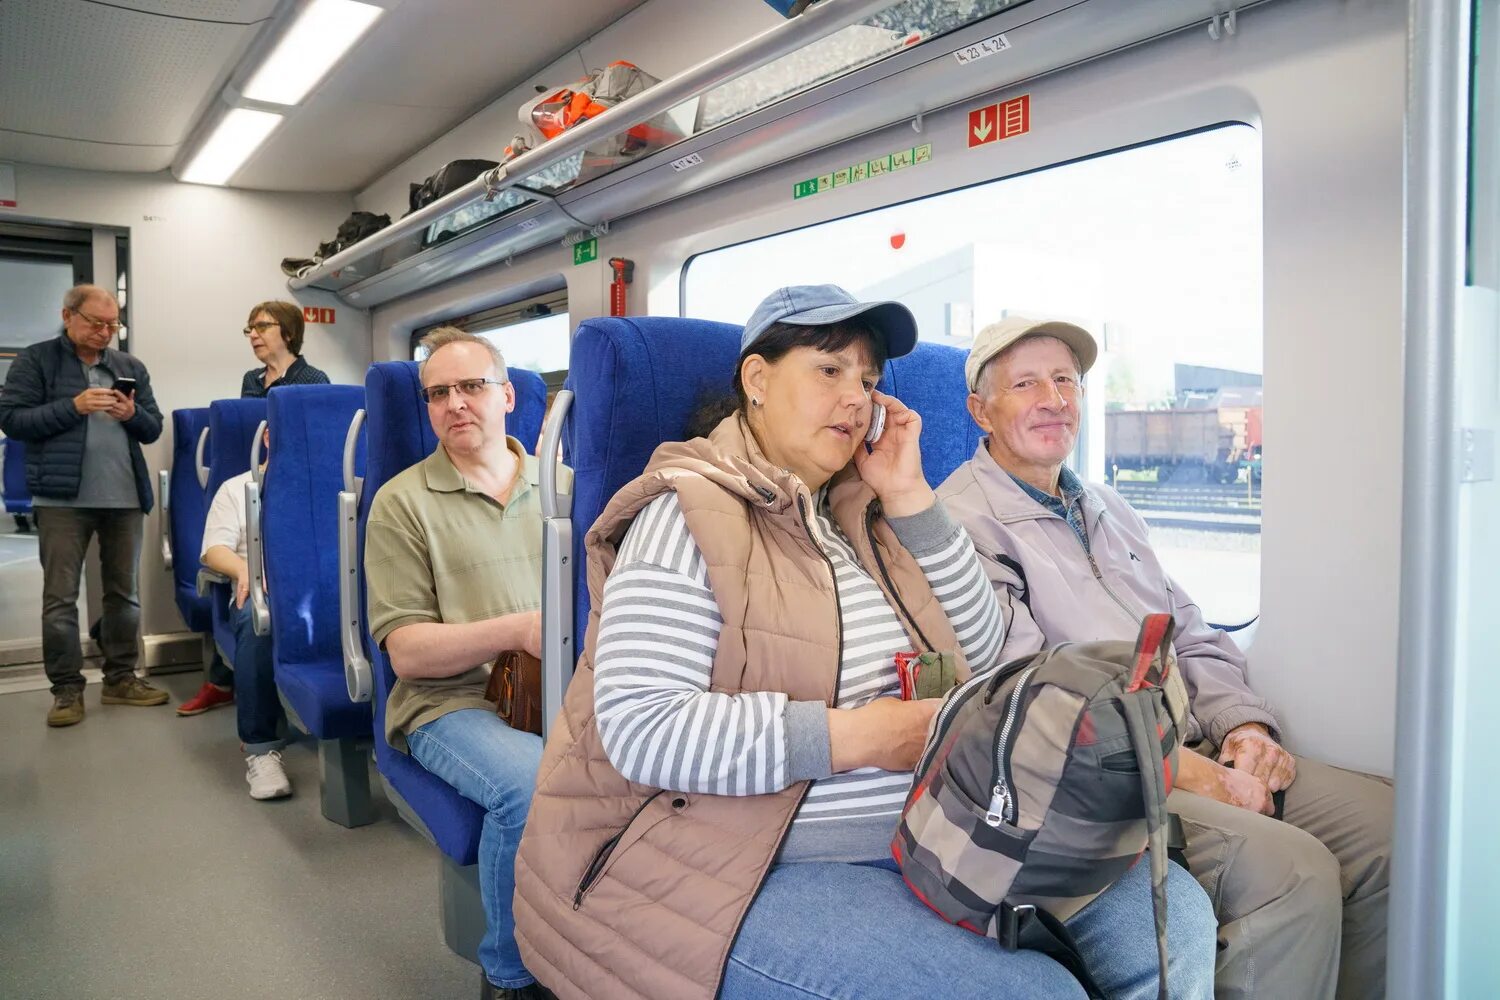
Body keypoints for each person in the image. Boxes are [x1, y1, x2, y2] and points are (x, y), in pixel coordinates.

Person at [512, 285, 1217, 1000]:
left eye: (869, 380)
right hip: (745, 855)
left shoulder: (863, 519)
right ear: (757, 380)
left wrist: (909, 495)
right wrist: (862, 738)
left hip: (935, 823)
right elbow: (642, 728)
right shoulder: (686, 511)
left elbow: (987, 647)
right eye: (829, 370)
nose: (856, 398)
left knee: (1171, 930)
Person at [938, 316, 1394, 1000]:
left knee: (1388, 831)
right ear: (982, 409)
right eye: (1026, 383)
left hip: (1197, 738)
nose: (1054, 399)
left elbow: (1191, 630)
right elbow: (1035, 708)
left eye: (1066, 381)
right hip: (1110, 777)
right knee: (1294, 872)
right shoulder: (963, 522)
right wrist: (1199, 774)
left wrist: (1245, 728)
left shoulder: (1107, 507)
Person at [364, 327, 565, 1000]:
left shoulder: (564, 488)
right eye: (438, 394)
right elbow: (407, 653)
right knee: (530, 784)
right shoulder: (400, 503)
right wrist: (516, 629)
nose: (456, 404)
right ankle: (509, 976)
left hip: (560, 691)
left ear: (508, 395)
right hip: (449, 704)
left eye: (472, 387)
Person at [0, 284, 168, 726]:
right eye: (96, 323)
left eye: (112, 325)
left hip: (125, 498)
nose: (105, 332)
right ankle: (67, 691)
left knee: (124, 597)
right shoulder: (36, 360)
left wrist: (132, 415)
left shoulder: (129, 366)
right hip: (61, 500)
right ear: (68, 315)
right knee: (60, 599)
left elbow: (153, 428)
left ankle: (120, 679)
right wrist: (72, 407)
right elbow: (13, 420)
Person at [192, 425, 292, 798]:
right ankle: (261, 749)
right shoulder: (237, 488)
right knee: (256, 620)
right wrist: (244, 570)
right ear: (268, 437)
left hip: (315, 592)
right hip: (258, 587)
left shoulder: (324, 485)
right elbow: (213, 548)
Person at [239, 300, 330, 398]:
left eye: (262, 326)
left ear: (289, 333)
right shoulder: (251, 379)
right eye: (251, 329)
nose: (252, 335)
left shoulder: (313, 380)